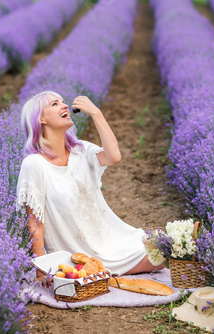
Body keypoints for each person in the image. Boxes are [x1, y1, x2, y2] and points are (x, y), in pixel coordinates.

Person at [16, 91, 165, 287]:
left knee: (160, 255)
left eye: (63, 102)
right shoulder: (34, 164)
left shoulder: (81, 150)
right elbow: (35, 222)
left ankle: (102, 270)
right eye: (54, 104)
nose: (65, 106)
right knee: (154, 256)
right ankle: (98, 271)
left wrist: (96, 113)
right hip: (72, 254)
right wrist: (41, 268)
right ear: (40, 119)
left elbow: (113, 156)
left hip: (107, 240)